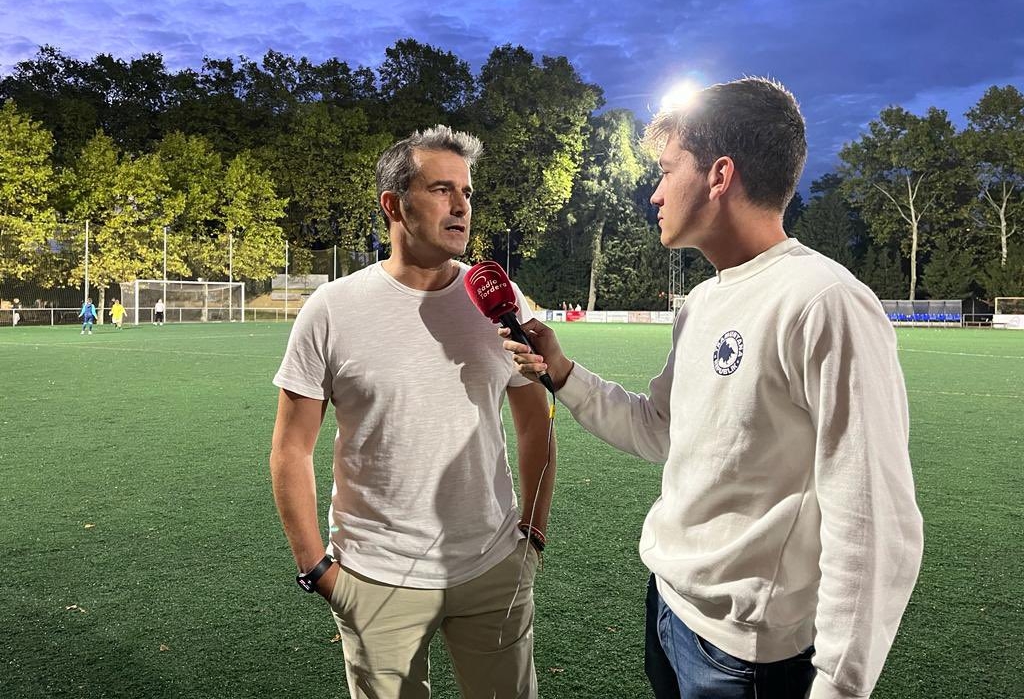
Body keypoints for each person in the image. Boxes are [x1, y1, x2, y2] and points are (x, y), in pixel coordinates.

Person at [503, 78, 923, 699]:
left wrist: (840, 685)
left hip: (747, 655)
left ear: (719, 175)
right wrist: (562, 373)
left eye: (668, 170)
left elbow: (874, 520)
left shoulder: (824, 303)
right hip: (669, 609)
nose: (655, 193)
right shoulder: (702, 301)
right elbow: (658, 430)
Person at [270, 124, 556, 699]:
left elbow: (535, 423)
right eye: (441, 189)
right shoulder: (331, 309)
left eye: (467, 192)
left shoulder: (501, 301)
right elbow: (290, 448)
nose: (461, 206)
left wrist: (533, 536)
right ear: (393, 205)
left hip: (493, 565)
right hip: (376, 576)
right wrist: (318, 569)